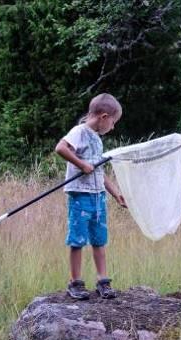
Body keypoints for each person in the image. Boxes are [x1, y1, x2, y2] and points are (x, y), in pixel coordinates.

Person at [55, 93, 127, 300]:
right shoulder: (79, 131)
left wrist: (116, 194)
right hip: (80, 195)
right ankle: (75, 282)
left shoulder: (97, 139)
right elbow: (60, 148)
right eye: (113, 122)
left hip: (98, 196)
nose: (112, 127)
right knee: (78, 239)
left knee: (99, 239)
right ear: (103, 116)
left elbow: (98, 171)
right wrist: (81, 164)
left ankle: (103, 280)